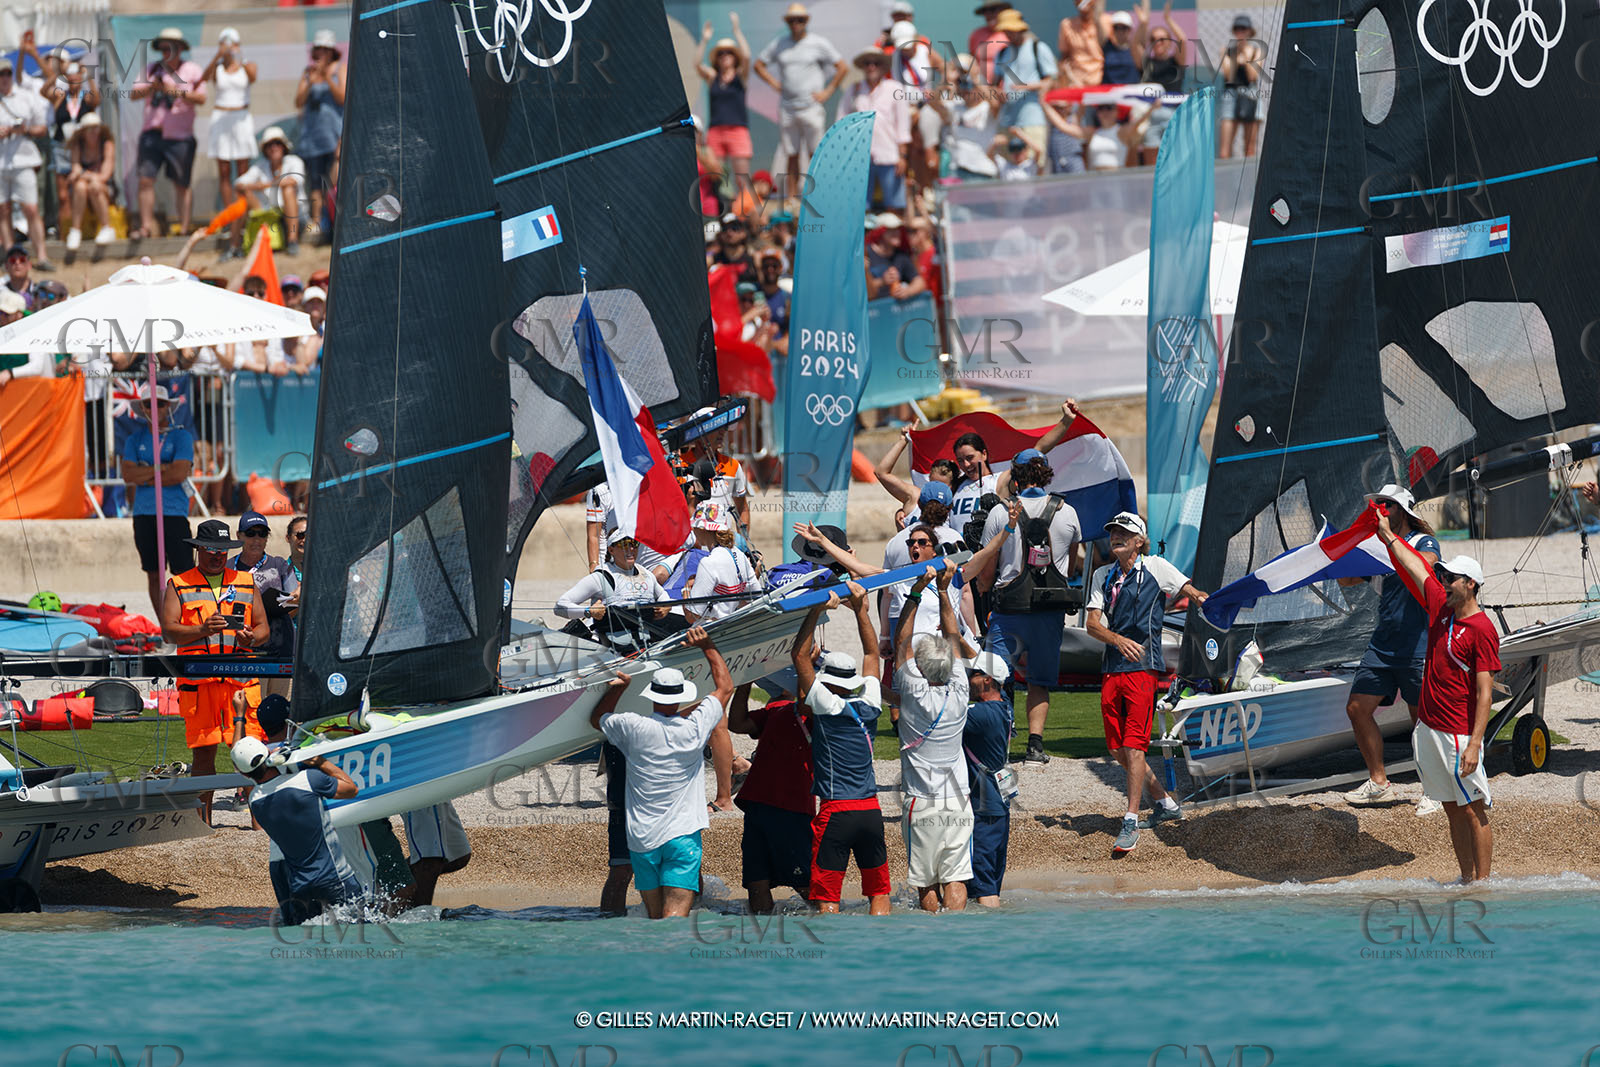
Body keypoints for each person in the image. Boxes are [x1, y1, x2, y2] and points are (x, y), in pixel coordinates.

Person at [1377, 515, 1499, 883]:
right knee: (1451, 807)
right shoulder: (1442, 609)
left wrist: (1475, 743)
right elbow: (1417, 568)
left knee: (1473, 809)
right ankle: (1466, 880)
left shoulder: (1482, 629)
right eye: (1443, 576)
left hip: (1458, 735)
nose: (1443, 581)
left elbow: (1485, 692)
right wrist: (1388, 536)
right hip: (1429, 729)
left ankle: (1483, 885)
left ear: (1470, 584)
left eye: (1451, 578)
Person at [590, 626, 734, 919]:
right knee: (675, 922)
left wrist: (619, 689)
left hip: (642, 838)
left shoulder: (633, 727)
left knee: (654, 920)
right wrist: (707, 645)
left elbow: (598, 719)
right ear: (681, 696)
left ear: (652, 696)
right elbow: (725, 688)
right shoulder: (695, 727)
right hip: (682, 836)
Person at [1085, 511, 1207, 855]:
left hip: (1143, 667)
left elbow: (1191, 591)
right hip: (1112, 667)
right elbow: (1092, 625)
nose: (1116, 537)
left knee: (1134, 746)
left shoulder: (1155, 567)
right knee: (1116, 749)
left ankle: (1130, 819)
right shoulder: (1102, 575)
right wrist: (1116, 639)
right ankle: (1165, 802)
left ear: (1139, 541)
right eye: (1113, 532)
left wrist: (1205, 599)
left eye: (1124, 533)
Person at [161, 519, 270, 825]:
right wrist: (202, 629)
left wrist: (252, 638)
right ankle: (202, 822)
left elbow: (263, 628)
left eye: (222, 550)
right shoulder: (178, 584)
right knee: (203, 755)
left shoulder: (246, 582)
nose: (217, 555)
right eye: (211, 549)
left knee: (250, 750)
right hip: (200, 685)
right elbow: (169, 631)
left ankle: (260, 823)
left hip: (240, 682)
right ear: (199, 549)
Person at [977, 448, 1082, 764]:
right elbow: (1071, 568)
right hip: (1049, 610)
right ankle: (1035, 746)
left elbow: (987, 571)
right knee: (1039, 681)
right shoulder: (1067, 511)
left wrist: (983, 594)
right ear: (1046, 474)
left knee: (996, 677)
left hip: (1009, 609)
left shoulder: (1001, 512)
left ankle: (999, 743)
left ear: (1016, 476)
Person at [1341, 485, 1442, 812]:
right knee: (1357, 708)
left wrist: (1387, 541)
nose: (1381, 509)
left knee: (1421, 722)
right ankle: (1379, 782)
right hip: (1383, 644)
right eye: (1379, 504)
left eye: (1388, 505)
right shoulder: (1377, 547)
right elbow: (1346, 580)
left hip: (1418, 644)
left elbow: (1425, 566)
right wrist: (1341, 549)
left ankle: (1433, 789)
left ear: (1404, 510)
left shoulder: (1423, 541)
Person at [792, 583, 891, 916]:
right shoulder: (871, 703)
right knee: (879, 893)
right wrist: (861, 610)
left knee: (827, 898)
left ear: (829, 681)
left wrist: (815, 610)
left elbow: (799, 656)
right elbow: (872, 655)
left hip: (836, 812)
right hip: (871, 811)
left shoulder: (825, 704)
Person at [895, 564, 974, 912]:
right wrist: (943, 590)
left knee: (925, 881)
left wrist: (916, 592)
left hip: (922, 802)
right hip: (959, 800)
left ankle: (931, 935)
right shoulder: (960, 689)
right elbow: (954, 639)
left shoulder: (914, 692)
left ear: (922, 669)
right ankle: (955, 935)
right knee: (956, 878)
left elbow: (902, 643)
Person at [232, 734, 364, 926]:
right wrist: (320, 762)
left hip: (300, 887)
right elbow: (351, 789)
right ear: (268, 754)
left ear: (244, 775)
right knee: (359, 931)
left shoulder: (255, 801)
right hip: (335, 877)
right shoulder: (308, 780)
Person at [728, 683, 814, 913]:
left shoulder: (825, 713)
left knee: (805, 883)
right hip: (758, 805)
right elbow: (737, 723)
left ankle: (829, 924)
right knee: (756, 884)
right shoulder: (778, 708)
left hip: (792, 808)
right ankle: (763, 932)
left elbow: (807, 704)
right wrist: (744, 683)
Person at [754, 3, 848, 202]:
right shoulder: (779, 43)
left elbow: (842, 66)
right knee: (792, 154)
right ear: (787, 22)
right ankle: (792, 198)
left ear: (806, 21)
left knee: (816, 153)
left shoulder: (818, 43)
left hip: (811, 107)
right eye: (792, 20)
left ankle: (817, 196)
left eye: (800, 19)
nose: (796, 23)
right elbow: (758, 65)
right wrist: (774, 83)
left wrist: (828, 91)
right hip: (788, 107)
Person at [121, 384, 195, 616]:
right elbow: (128, 474)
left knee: (184, 573)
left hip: (173, 512)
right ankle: (165, 625)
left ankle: (186, 621)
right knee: (154, 573)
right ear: (143, 408)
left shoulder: (181, 436)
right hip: (144, 513)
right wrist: (162, 469)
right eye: (149, 404)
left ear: (167, 407)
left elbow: (179, 473)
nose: (155, 408)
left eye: (160, 404)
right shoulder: (134, 439)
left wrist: (146, 473)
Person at [130, 27, 206, 239]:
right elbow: (134, 94)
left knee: (182, 184)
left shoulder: (192, 70)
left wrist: (175, 91)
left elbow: (201, 98)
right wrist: (153, 87)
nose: (166, 52)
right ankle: (145, 228)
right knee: (145, 180)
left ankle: (184, 228)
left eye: (170, 48)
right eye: (163, 48)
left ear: (180, 49)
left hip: (180, 136)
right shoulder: (151, 69)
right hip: (152, 133)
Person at [555, 529, 673, 651]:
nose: (631, 549)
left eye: (634, 544)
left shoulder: (647, 574)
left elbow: (663, 595)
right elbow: (559, 606)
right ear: (611, 550)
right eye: (624, 544)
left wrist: (665, 606)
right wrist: (588, 611)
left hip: (644, 644)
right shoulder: (600, 577)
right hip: (609, 648)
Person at [963, 652, 1014, 906]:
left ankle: (987, 929)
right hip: (998, 808)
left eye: (972, 674)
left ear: (987, 680)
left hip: (984, 812)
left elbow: (939, 713)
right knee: (990, 884)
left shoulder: (980, 715)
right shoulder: (1004, 706)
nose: (966, 679)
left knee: (983, 888)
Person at [203, 27, 257, 257]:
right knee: (224, 171)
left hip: (241, 117)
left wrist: (238, 56)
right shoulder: (217, 68)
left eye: (232, 42)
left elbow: (253, 77)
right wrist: (218, 55)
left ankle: (241, 216)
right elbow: (204, 78)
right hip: (221, 117)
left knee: (242, 173)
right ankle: (229, 215)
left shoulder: (247, 65)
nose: (228, 47)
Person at [230, 509, 296, 698]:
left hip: (280, 649)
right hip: (243, 652)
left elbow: (296, 601)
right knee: (250, 707)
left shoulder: (280, 565)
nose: (256, 539)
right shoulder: (228, 567)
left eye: (262, 534)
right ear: (239, 536)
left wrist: (271, 612)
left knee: (279, 708)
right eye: (250, 533)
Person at [841, 50, 911, 217]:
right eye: (867, 63)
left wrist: (902, 156)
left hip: (889, 155)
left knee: (895, 207)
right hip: (859, 158)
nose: (871, 67)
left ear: (883, 67)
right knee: (860, 208)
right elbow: (842, 123)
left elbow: (903, 125)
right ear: (863, 67)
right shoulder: (854, 89)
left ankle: (895, 233)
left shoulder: (895, 88)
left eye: (876, 63)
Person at [40, 54, 99, 249]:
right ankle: (64, 232)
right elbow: (43, 91)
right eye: (71, 78)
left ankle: (80, 229)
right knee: (63, 195)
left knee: (80, 190)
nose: (74, 81)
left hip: (81, 149)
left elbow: (97, 99)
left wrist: (88, 76)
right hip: (61, 147)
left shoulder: (86, 97)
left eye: (76, 78)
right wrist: (58, 73)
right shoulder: (60, 97)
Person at [295, 29, 345, 241]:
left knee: (334, 182)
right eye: (318, 49)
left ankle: (336, 221)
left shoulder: (340, 68)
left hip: (334, 137)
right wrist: (310, 80)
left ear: (332, 51)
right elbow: (298, 102)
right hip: (312, 139)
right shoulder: (308, 72)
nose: (321, 53)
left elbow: (343, 97)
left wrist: (327, 78)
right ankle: (318, 223)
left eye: (325, 49)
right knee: (315, 183)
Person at [0, 60, 50, 269]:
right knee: (3, 210)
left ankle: (42, 256)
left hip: (23, 159)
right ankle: (10, 256)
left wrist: (23, 130)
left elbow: (42, 128)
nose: (4, 77)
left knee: (31, 208)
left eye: (7, 73)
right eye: (0, 74)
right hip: (1, 162)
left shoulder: (26, 97)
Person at [697, 16, 753, 187]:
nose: (725, 56)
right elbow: (697, 64)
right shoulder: (713, 77)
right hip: (716, 131)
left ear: (735, 57)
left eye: (729, 52)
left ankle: (743, 205)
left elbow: (747, 56)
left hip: (738, 130)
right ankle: (719, 205)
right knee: (716, 178)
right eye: (721, 53)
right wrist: (704, 40)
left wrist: (737, 31)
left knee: (742, 179)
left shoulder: (740, 77)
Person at [236, 126, 306, 255]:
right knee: (243, 196)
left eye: (277, 143)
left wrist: (262, 185)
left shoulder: (294, 161)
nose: (274, 147)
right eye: (269, 144)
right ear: (265, 149)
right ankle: (235, 246)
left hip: (296, 219)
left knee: (288, 190)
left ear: (284, 146)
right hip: (271, 218)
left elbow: (294, 181)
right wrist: (257, 186)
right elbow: (239, 184)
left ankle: (292, 241)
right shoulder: (260, 166)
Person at [993, 10, 1054, 151]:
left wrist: (1025, 86)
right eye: (1006, 31)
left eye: (1011, 31)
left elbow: (1051, 82)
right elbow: (994, 85)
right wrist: (998, 93)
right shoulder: (1002, 53)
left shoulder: (1038, 48)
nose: (1008, 35)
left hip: (1033, 119)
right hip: (1007, 121)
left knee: (1034, 159)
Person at [402, 802, 473, 905]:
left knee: (459, 856)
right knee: (429, 860)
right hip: (418, 796)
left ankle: (388, 883)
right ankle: (419, 912)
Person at [64, 113, 115, 248]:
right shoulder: (77, 146)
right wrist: (84, 175)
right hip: (83, 188)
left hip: (105, 188)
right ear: (83, 132)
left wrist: (83, 174)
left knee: (94, 185)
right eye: (90, 129)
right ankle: (75, 230)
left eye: (96, 128)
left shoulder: (107, 145)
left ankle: (106, 227)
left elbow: (105, 175)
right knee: (80, 186)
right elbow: (75, 169)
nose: (94, 132)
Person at [1218, 15, 1262, 159]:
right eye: (1237, 28)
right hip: (1230, 95)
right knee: (1224, 151)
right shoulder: (1226, 50)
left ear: (1250, 31)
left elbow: (1252, 76)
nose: (1240, 32)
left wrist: (1246, 57)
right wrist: (1238, 58)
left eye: (1243, 28)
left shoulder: (1256, 50)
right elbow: (1228, 74)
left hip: (1250, 94)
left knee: (1249, 149)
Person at [865, 225, 925, 302]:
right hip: (873, 307)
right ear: (880, 232)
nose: (896, 233)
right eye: (891, 230)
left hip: (895, 307)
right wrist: (882, 281)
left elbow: (920, 281)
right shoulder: (866, 253)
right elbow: (860, 288)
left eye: (898, 229)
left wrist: (908, 291)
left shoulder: (901, 256)